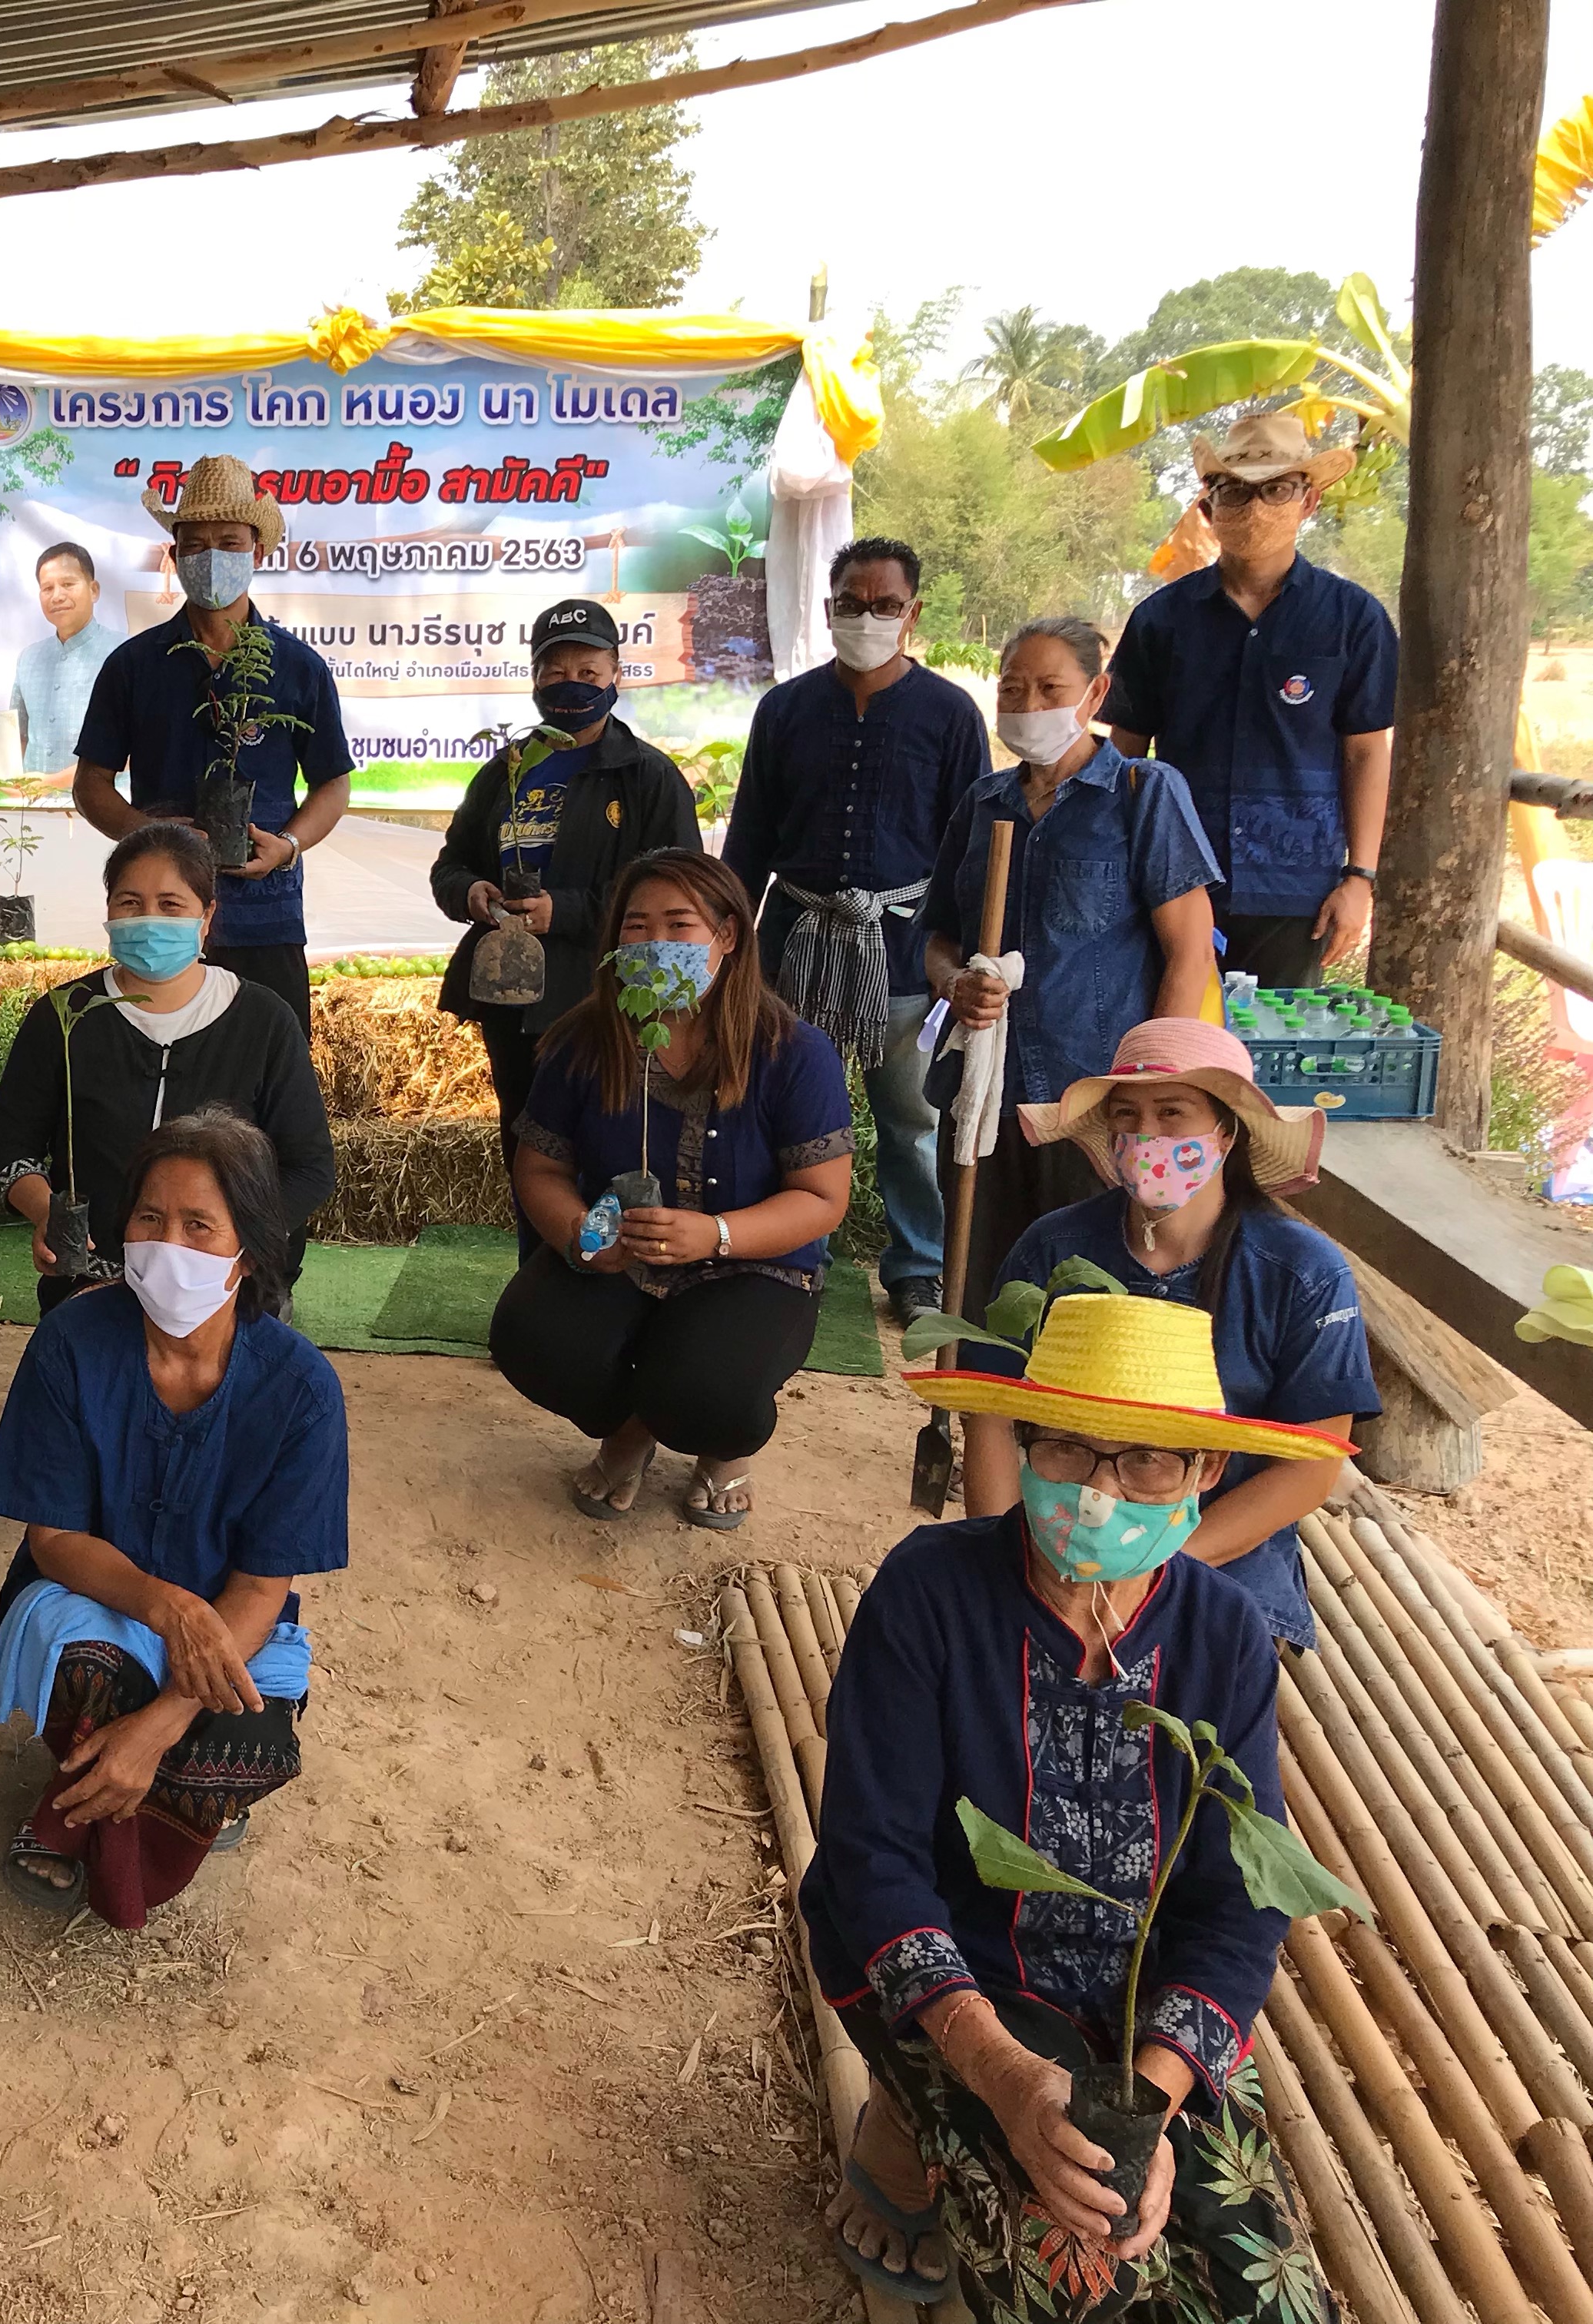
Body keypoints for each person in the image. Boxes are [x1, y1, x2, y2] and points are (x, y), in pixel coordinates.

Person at [807, 1292, 1342, 2320]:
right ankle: (910, 2112)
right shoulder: (930, 1592)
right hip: (957, 1981)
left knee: (1269, 2298)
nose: (1099, 1493)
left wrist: (1159, 2098)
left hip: (1141, 2007)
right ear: (1025, 1444)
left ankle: (997, 2124)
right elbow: (873, 1860)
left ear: (1204, 1475)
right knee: (1086, 2283)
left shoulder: (1223, 1637)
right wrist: (1003, 2078)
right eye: (1068, 1449)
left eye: (1145, 1460)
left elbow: (1240, 1907)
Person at [0, 1110, 347, 1931]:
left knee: (247, 1741)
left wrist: (162, 1723)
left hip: (233, 1623)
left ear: (248, 1250)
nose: (165, 1243)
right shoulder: (70, 1343)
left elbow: (259, 1583)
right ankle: (112, 1824)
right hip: (93, 1599)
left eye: (198, 1225)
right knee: (94, 1669)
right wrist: (167, 1606)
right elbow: (55, 1540)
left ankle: (95, 1802)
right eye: (149, 1217)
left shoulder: (302, 1389)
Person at [957, 1018, 1376, 1650]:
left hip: (1220, 1551)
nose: (1145, 1134)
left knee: (1214, 1668)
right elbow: (989, 1410)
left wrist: (1154, 1576)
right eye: (1126, 1115)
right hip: (1054, 1535)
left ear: (1226, 1133)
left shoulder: (1304, 1272)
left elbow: (1311, 1463)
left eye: (1172, 1112)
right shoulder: (1052, 1247)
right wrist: (1006, 1559)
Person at [490, 849, 852, 1530]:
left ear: (728, 936)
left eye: (679, 925)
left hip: (753, 1264)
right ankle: (632, 1426)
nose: (655, 943)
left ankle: (719, 1445)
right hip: (622, 1253)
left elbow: (822, 1198)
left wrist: (715, 1234)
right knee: (529, 1340)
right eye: (636, 926)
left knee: (712, 1389)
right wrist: (581, 1238)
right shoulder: (583, 1043)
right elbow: (539, 1171)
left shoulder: (793, 1052)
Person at [724, 536, 991, 1321]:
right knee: (786, 1107)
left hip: (907, 954)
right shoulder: (785, 710)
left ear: (914, 613)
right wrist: (726, 947)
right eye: (852, 603)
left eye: (884, 605)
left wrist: (964, 955)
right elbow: (748, 839)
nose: (867, 617)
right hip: (793, 947)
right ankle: (790, 1247)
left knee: (912, 1120)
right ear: (828, 606)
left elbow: (972, 845)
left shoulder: (949, 714)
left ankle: (920, 1266)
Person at [923, 617, 1222, 1302]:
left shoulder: (1145, 795)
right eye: (1013, 689)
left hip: (1092, 1100)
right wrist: (955, 983)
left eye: (1050, 687)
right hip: (985, 1094)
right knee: (982, 1279)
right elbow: (936, 936)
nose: (1028, 706)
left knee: (1088, 1289)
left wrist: (1150, 1089)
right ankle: (978, 1410)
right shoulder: (982, 802)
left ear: (1095, 695)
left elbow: (1188, 953)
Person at [431, 597, 699, 1255]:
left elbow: (680, 889)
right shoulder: (508, 769)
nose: (571, 683)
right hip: (511, 992)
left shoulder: (648, 776)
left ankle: (608, 1262)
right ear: (534, 680)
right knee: (525, 1138)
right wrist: (472, 892)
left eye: (588, 667)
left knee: (605, 1135)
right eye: (554, 672)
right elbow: (450, 862)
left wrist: (569, 911)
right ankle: (542, 1270)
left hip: (605, 994)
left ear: (616, 675)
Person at [1104, 413, 1396, 994]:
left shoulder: (1353, 619)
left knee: (1272, 1060)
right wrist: (1119, 868)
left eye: (1277, 489)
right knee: (1171, 1053)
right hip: (1173, 880)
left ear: (1308, 501)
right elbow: (1127, 755)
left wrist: (1359, 878)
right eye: (1234, 490)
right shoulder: (1160, 621)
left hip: (1297, 891)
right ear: (1207, 508)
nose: (1255, 507)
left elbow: (1366, 752)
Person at [0, 823, 334, 1307]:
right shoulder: (65, 1016)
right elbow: (9, 1147)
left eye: (171, 905)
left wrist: (230, 1244)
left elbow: (310, 1168)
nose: (148, 919)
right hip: (91, 1282)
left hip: (232, 1290)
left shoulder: (262, 1019)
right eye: (130, 903)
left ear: (206, 916)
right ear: (108, 910)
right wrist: (48, 1212)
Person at [72, 456, 356, 1032]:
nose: (212, 557)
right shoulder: (133, 666)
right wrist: (153, 835)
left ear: (258, 553)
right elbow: (90, 786)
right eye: (196, 545)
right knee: (162, 1073)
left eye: (229, 542)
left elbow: (334, 783)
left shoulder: (298, 667)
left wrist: (289, 846)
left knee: (268, 1078)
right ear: (175, 558)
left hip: (265, 915)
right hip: (164, 917)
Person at [10, 540, 121, 779]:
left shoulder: (124, 653)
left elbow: (137, 747)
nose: (57, 596)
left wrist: (53, 782)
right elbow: (17, 737)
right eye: (47, 588)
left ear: (94, 590)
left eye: (68, 584)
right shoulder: (28, 659)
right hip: (32, 809)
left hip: (102, 809)